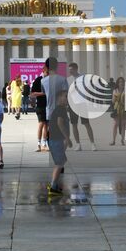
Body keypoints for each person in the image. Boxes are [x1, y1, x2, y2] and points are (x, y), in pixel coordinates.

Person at [41, 56, 70, 196]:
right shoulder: (62, 80)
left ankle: (59, 162)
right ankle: (59, 164)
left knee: (53, 136)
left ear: (46, 67)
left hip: (49, 113)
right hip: (60, 111)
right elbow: (66, 95)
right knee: (64, 138)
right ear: (57, 66)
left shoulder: (43, 80)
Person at [66, 62, 97, 151]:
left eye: (71, 69)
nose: (70, 71)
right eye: (69, 70)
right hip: (73, 105)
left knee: (87, 124)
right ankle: (78, 144)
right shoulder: (68, 80)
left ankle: (92, 144)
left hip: (83, 104)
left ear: (76, 69)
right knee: (74, 125)